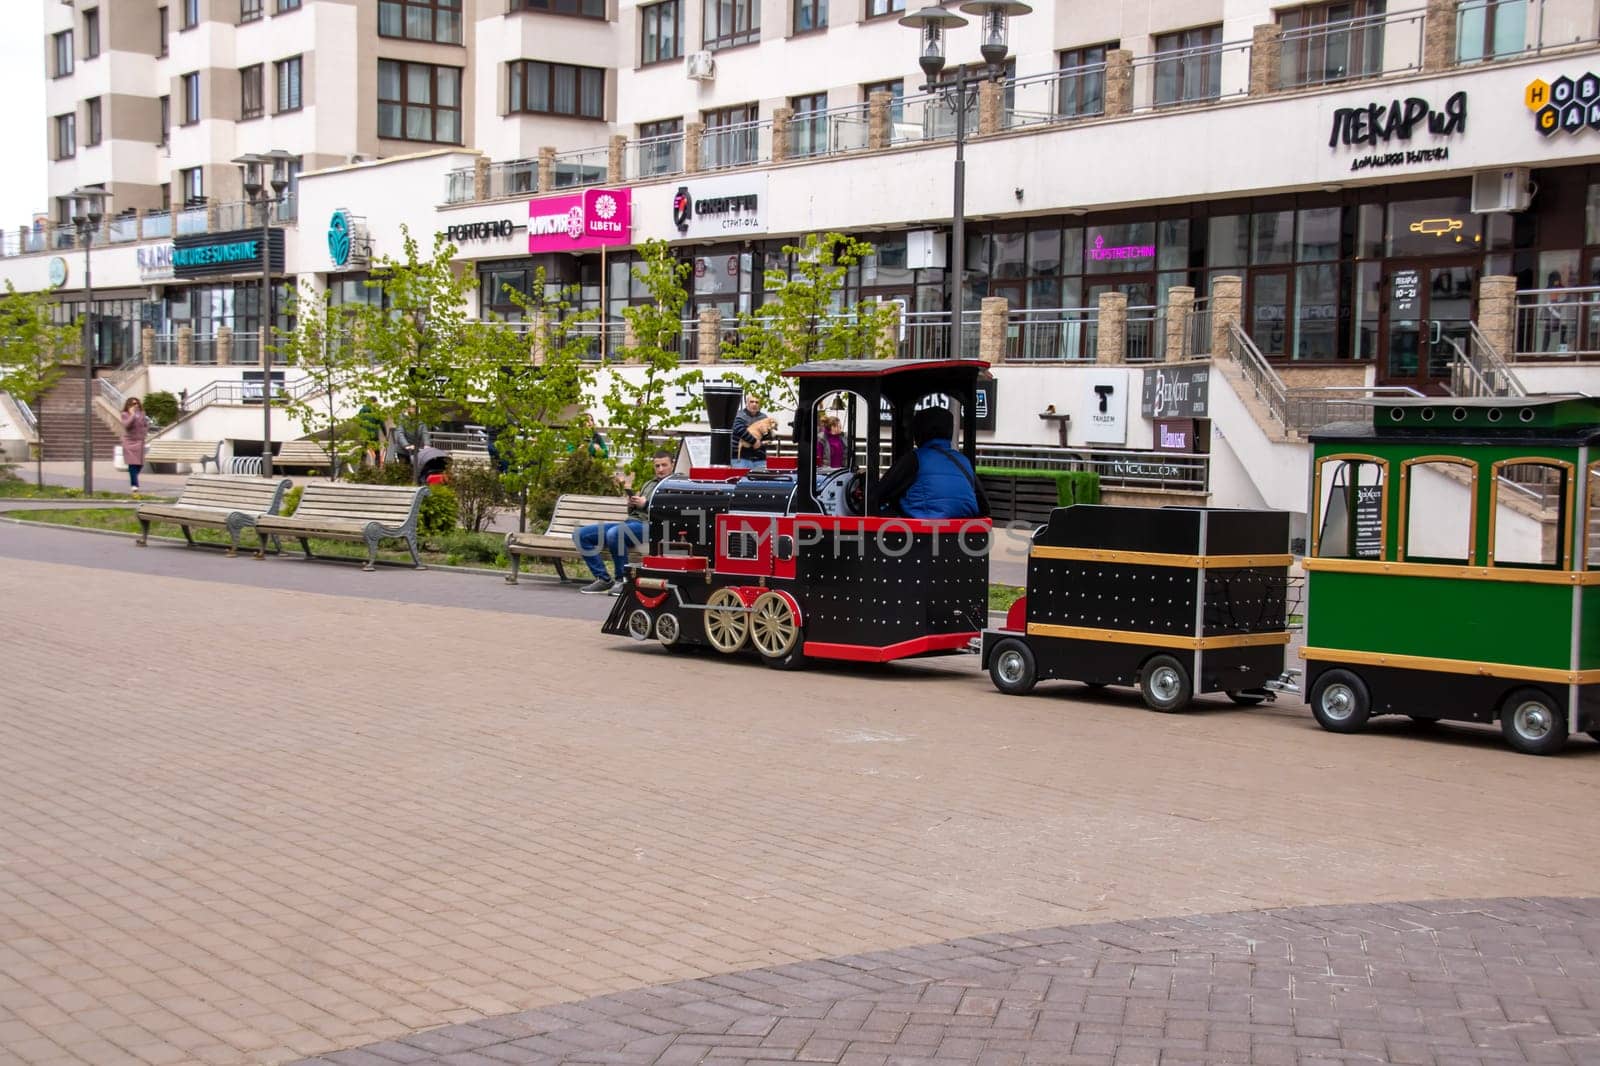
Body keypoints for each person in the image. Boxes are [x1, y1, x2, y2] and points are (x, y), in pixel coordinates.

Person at [573, 450, 674, 595]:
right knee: (580, 534)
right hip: (632, 523)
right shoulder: (649, 484)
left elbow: (671, 511)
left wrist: (646, 505)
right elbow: (634, 513)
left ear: (673, 464)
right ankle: (603, 579)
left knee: (616, 533)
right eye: (657, 466)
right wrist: (632, 504)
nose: (660, 469)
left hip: (654, 527)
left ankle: (622, 580)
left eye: (664, 465)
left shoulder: (675, 484)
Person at [877, 406, 989, 519]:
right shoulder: (963, 461)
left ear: (918, 432)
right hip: (966, 531)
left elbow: (878, 494)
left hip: (922, 530)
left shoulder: (915, 458)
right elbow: (984, 506)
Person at [730, 392, 776, 469]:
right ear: (746, 403)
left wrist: (769, 435)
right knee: (741, 480)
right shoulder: (739, 415)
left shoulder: (764, 417)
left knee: (760, 480)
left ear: (759, 404)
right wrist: (754, 441)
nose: (754, 404)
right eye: (751, 402)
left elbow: (767, 438)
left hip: (759, 458)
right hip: (741, 458)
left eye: (757, 402)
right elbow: (739, 430)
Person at [119, 397, 150, 498]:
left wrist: (145, 432)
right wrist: (132, 415)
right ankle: (134, 485)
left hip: (139, 441)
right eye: (133, 404)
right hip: (129, 442)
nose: (135, 405)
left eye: (137, 403)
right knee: (132, 464)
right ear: (128, 405)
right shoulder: (125, 414)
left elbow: (145, 425)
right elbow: (126, 425)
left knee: (140, 465)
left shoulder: (142, 413)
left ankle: (134, 478)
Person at [356, 398, 385, 466]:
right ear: (374, 402)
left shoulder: (361, 410)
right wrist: (385, 434)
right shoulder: (376, 411)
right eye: (376, 403)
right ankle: (377, 469)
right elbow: (382, 424)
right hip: (374, 435)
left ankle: (362, 469)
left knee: (363, 453)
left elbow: (359, 422)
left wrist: (364, 428)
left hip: (364, 435)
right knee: (377, 453)